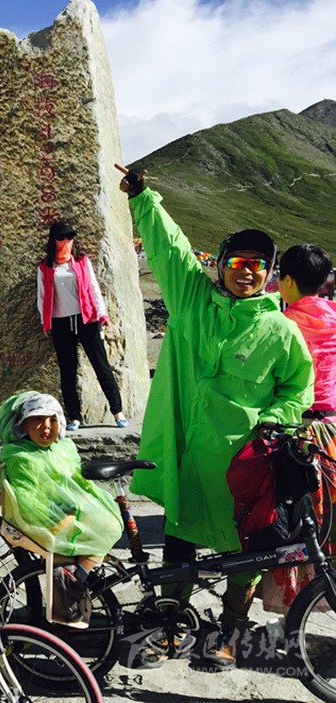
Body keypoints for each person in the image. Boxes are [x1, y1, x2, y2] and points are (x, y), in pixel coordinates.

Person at [118, 165, 314, 669]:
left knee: (248, 550)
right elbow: (172, 250)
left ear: (270, 273)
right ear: (222, 265)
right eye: (238, 262)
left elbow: (298, 387)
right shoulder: (192, 301)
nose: (246, 271)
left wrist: (275, 420)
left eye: (257, 265)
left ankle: (231, 628)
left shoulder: (281, 331)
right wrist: (144, 199)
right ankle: (170, 623)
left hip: (244, 463)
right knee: (178, 539)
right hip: (188, 453)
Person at [0, 391, 123, 627]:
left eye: (52, 420)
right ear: (22, 425)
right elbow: (27, 498)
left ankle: (76, 577)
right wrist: (61, 513)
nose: (46, 426)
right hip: (46, 519)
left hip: (69, 510)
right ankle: (74, 580)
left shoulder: (63, 448)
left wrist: (80, 505)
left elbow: (76, 482)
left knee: (111, 525)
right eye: (38, 419)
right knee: (104, 529)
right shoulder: (21, 457)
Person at [258, 244, 336, 613]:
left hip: (296, 431)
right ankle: (325, 592)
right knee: (329, 517)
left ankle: (293, 600)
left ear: (286, 280)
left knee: (294, 517)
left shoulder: (282, 322)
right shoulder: (334, 316)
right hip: (331, 429)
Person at [37, 221, 128, 430]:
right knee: (67, 371)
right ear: (54, 240)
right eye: (62, 237)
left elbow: (93, 288)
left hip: (86, 319)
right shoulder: (45, 267)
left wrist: (102, 314)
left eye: (70, 237)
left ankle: (118, 412)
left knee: (101, 366)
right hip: (61, 322)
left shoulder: (81, 261)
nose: (67, 241)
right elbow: (41, 296)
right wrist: (45, 321)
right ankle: (74, 416)